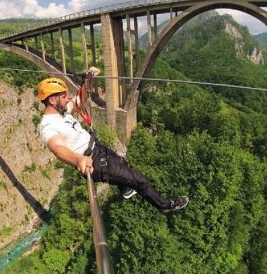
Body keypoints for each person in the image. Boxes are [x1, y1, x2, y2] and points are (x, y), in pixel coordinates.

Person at [37, 67, 189, 213]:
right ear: (52, 100)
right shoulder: (48, 126)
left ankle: (125, 188)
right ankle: (165, 205)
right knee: (140, 180)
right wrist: (78, 160)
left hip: (96, 147)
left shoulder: (62, 111)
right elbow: (57, 148)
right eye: (63, 96)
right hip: (92, 161)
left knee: (122, 161)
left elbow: (80, 100)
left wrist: (88, 80)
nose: (66, 99)